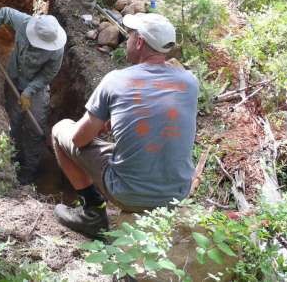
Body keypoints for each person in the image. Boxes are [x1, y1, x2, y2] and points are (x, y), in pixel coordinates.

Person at [51, 13, 198, 238]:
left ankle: (93, 212)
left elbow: (78, 140)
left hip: (130, 193)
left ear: (139, 42)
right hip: (178, 192)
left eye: (129, 35)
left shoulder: (116, 80)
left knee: (61, 129)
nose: (126, 40)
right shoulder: (189, 82)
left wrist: (96, 126)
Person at [0, 7, 66, 184]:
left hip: (36, 88)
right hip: (13, 80)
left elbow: (48, 74)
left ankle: (29, 171)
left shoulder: (56, 50)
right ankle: (12, 160)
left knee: (34, 128)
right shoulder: (25, 23)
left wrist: (29, 92)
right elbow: (5, 12)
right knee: (12, 122)